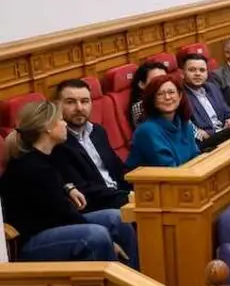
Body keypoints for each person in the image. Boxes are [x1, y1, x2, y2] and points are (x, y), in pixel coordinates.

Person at [0, 100, 138, 264]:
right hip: (35, 238)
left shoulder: (49, 156)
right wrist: (111, 242)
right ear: (48, 128)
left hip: (58, 225)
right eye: (60, 120)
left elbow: (60, 184)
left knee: (117, 218)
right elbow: (62, 213)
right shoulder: (31, 168)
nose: (65, 124)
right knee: (97, 235)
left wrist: (68, 187)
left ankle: (137, 275)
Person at [52, 79, 131, 212]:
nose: (79, 108)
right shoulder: (58, 143)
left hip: (121, 195)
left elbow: (118, 169)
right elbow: (85, 189)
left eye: (84, 101)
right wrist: (129, 197)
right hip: (99, 206)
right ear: (57, 105)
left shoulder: (98, 131)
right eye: (70, 102)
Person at [126, 78, 201, 169]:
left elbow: (196, 157)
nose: (167, 97)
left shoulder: (185, 124)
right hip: (156, 181)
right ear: (152, 100)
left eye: (171, 92)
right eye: (160, 94)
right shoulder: (147, 131)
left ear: (180, 96)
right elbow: (168, 170)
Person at [181, 53, 230, 140]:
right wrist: (218, 132)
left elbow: (227, 112)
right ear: (182, 73)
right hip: (208, 143)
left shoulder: (212, 87)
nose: (198, 74)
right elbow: (195, 132)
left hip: (227, 134)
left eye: (202, 70)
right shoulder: (180, 96)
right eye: (192, 70)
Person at [127, 61, 169, 129]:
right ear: (141, 84)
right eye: (156, 80)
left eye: (165, 79)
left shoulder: (172, 97)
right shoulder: (139, 107)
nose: (162, 83)